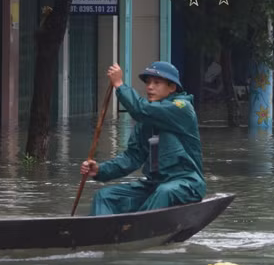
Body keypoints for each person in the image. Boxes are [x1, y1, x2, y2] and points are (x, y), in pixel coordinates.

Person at [80, 62, 206, 216]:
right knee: (104, 196)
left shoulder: (181, 108)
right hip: (154, 185)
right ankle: (101, 234)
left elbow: (140, 109)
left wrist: (119, 84)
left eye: (157, 83)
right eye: (148, 82)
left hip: (186, 184)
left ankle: (138, 228)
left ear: (172, 87)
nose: (150, 87)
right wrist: (100, 170)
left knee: (164, 192)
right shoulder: (145, 121)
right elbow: (132, 157)